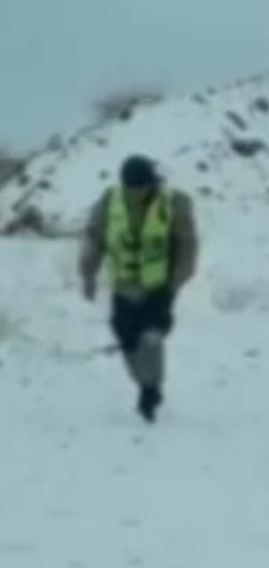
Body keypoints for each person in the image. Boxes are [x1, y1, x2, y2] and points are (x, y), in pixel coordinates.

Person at [78, 155, 200, 422]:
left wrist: (176, 282)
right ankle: (146, 383)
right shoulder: (109, 203)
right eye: (135, 188)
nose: (140, 193)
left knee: (152, 337)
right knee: (127, 341)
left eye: (145, 186)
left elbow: (188, 245)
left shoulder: (174, 203)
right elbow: (93, 239)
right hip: (123, 288)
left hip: (159, 287)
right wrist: (88, 275)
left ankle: (150, 392)